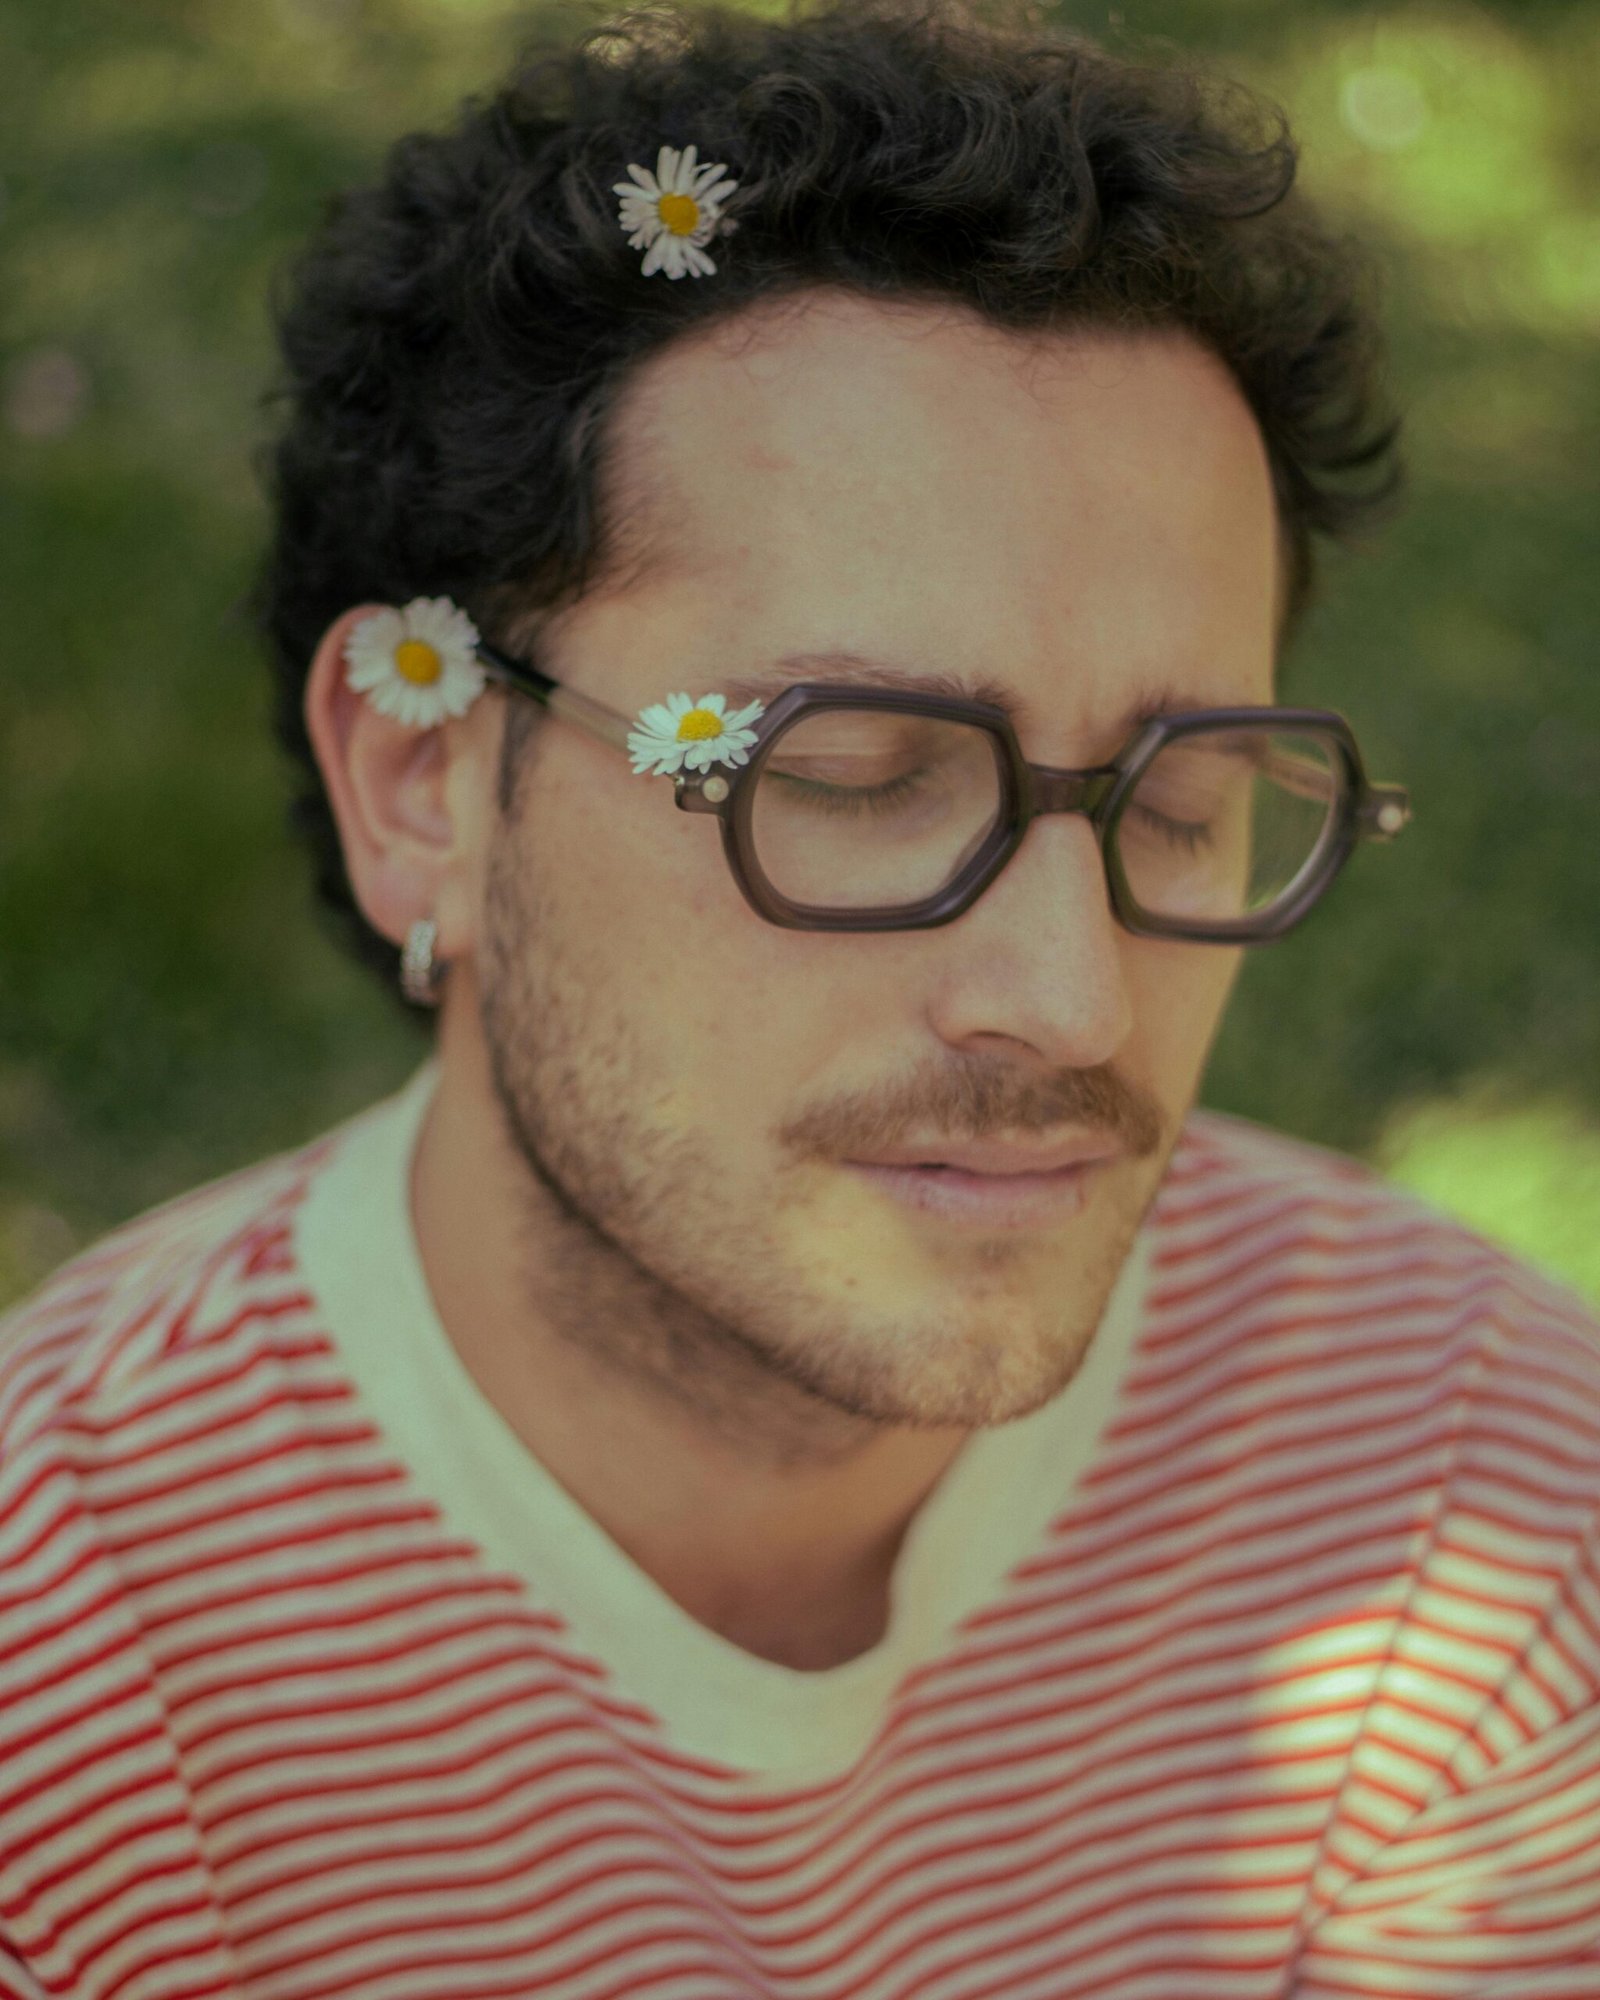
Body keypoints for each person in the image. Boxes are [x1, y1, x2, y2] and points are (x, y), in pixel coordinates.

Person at [3, 3, 1598, 1994]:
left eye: (1178, 804)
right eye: (845, 777)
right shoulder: (64, 1691)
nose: (1070, 999)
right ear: (424, 782)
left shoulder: (1471, 1494)